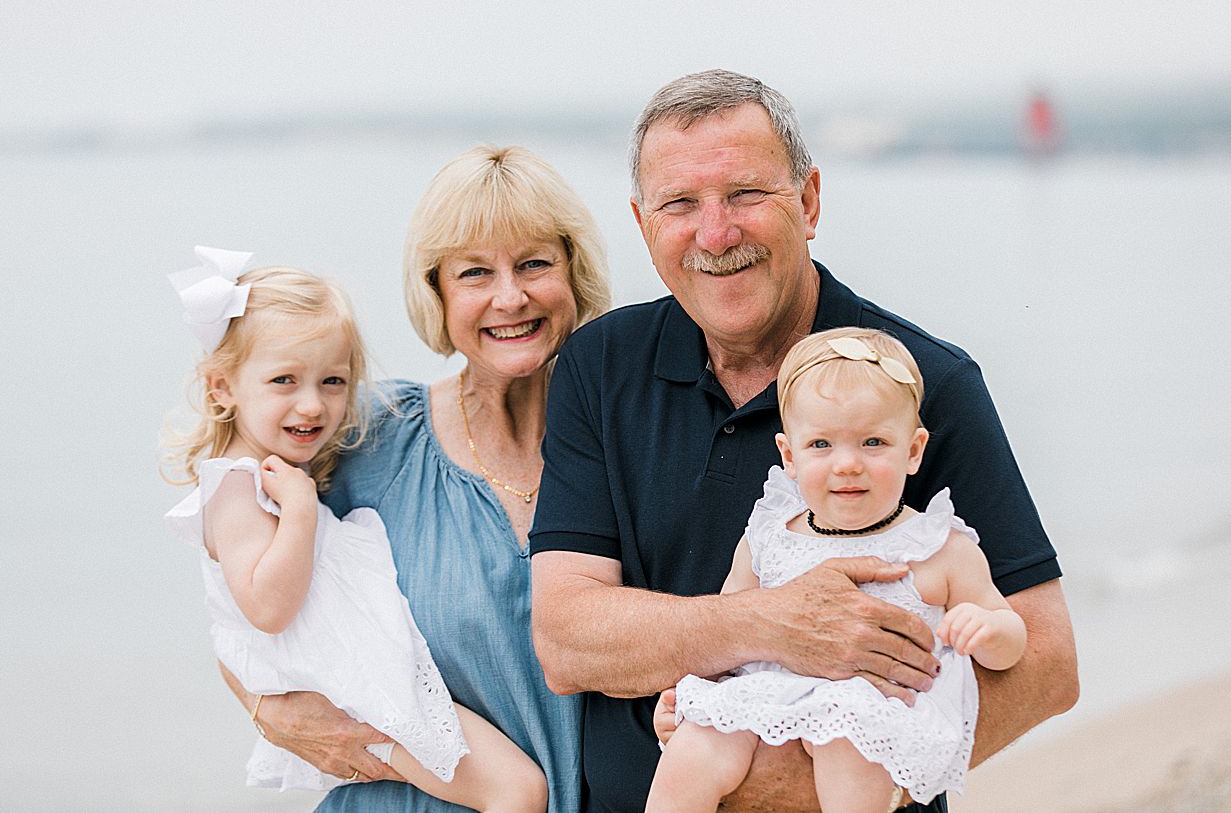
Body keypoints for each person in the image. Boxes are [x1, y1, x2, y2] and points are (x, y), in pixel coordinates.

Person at [530, 69, 1078, 813]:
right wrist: (768, 623)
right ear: (641, 222)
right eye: (681, 204)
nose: (715, 233)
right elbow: (567, 640)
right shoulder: (598, 367)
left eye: (746, 194)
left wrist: (800, 790)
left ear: (810, 200)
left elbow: (1046, 663)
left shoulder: (923, 383)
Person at [214, 145, 612, 812]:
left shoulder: (626, 444)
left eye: (535, 263)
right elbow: (240, 602)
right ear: (437, 292)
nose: (509, 296)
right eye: (475, 272)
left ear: (574, 273)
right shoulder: (368, 436)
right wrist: (266, 708)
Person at [163, 250, 547, 811]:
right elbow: (266, 607)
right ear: (222, 388)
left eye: (333, 381)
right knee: (516, 790)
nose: (313, 404)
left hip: (372, 688)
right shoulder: (236, 490)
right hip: (363, 700)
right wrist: (298, 511)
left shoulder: (273, 476)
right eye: (284, 380)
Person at [645, 328, 1027, 813]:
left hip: (868, 707)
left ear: (913, 450)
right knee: (696, 748)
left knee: (850, 747)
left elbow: (1011, 636)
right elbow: (726, 627)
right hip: (768, 693)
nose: (847, 465)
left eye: (873, 442)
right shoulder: (771, 536)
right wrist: (691, 692)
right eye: (822, 444)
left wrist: (988, 629)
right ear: (790, 456)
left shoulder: (936, 548)